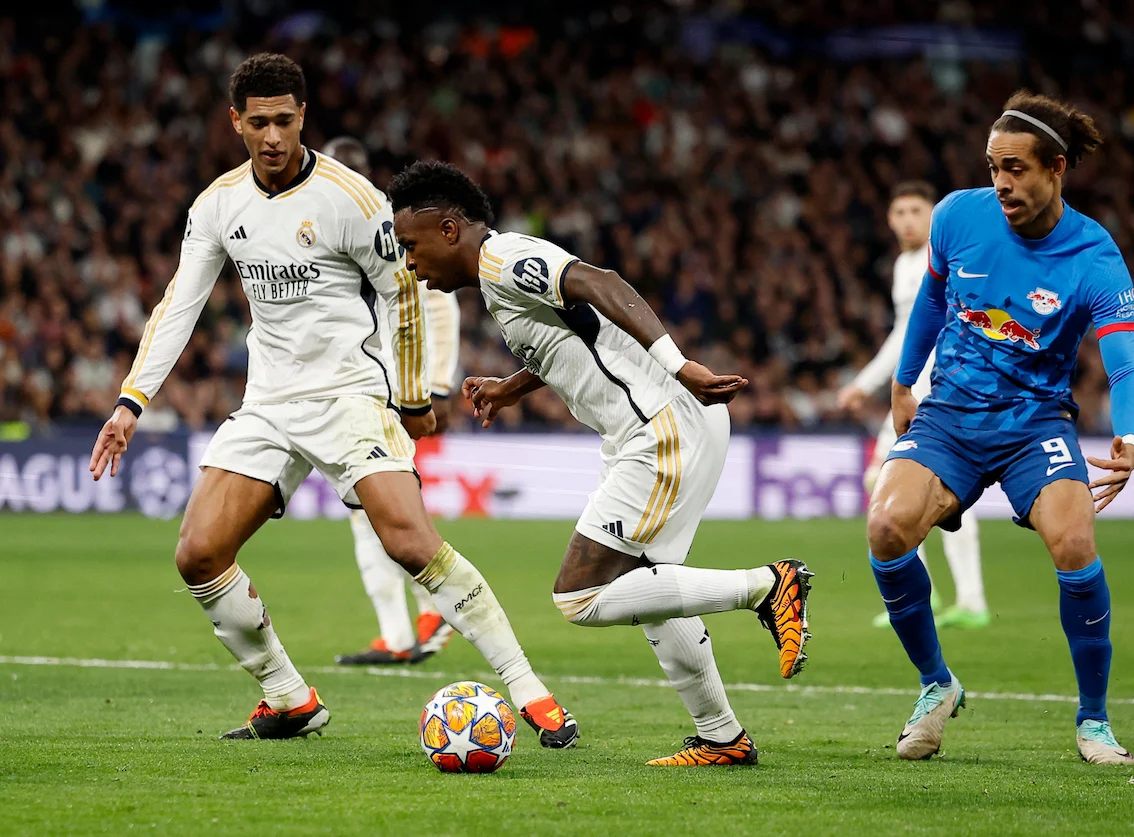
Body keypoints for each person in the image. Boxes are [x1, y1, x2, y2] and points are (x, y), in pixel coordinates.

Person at [88, 54, 577, 747]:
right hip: (267, 403)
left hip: (349, 396)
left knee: (410, 542)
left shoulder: (353, 199)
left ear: (303, 117)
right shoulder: (219, 204)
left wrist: (411, 396)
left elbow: (403, 293)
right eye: (258, 122)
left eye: (285, 120)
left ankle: (530, 690)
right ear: (236, 122)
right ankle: (287, 695)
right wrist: (130, 401)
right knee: (198, 552)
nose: (273, 136)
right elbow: (178, 305)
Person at [387, 160, 814, 766]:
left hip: (661, 426)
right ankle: (722, 737)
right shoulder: (496, 279)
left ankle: (768, 586)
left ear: (449, 230)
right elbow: (577, 332)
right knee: (653, 590)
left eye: (412, 245)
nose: (409, 261)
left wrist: (678, 364)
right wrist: (512, 387)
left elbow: (600, 284)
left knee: (580, 596)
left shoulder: (502, 258)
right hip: (663, 426)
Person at [866, 90, 1134, 765]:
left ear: (1056, 168)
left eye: (1015, 168)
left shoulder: (1095, 257)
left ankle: (1094, 720)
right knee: (885, 526)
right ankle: (936, 685)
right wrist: (905, 381)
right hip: (951, 415)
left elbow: (1126, 362)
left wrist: (1130, 434)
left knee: (1075, 539)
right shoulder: (958, 217)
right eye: (993, 167)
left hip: (1035, 424)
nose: (1000, 183)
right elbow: (932, 300)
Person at [320, 136, 456, 666]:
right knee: (371, 511)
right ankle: (406, 628)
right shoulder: (325, 228)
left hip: (396, 393)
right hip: (355, 389)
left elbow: (435, 301)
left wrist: (431, 386)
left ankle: (417, 623)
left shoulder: (391, 227)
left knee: (379, 510)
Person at [837, 182, 989, 630]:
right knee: (896, 483)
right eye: (898, 211)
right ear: (888, 219)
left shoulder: (944, 257)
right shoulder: (904, 264)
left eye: (915, 210)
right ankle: (945, 595)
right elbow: (905, 335)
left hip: (938, 389)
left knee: (909, 483)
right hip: (912, 388)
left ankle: (948, 597)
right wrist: (865, 383)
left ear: (933, 215)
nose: (907, 219)